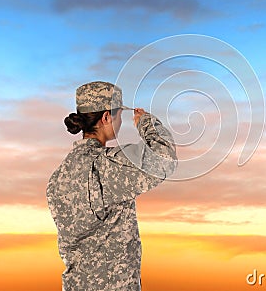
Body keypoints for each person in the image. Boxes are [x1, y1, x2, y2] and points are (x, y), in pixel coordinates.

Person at [47, 81, 177, 291]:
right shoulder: (106, 166)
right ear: (106, 117)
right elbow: (164, 158)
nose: (120, 121)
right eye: (119, 115)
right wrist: (146, 123)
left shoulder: (58, 177)